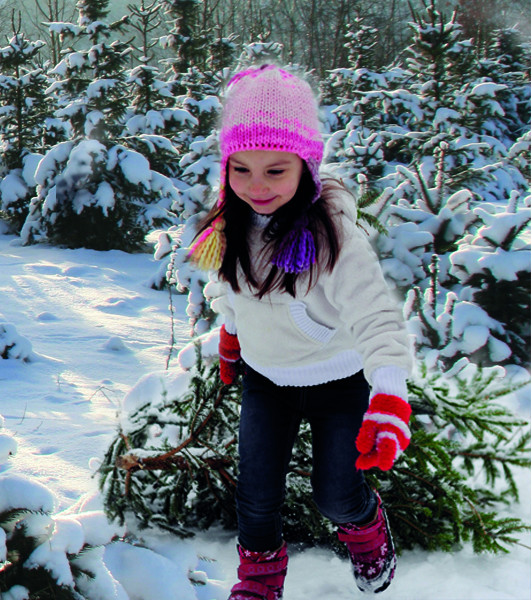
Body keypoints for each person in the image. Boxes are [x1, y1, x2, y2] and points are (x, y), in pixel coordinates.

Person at [186, 64, 414, 599]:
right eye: (240, 170)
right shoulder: (229, 226)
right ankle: (260, 580)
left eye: (275, 170)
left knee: (336, 494)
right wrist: (233, 336)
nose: (255, 186)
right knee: (256, 494)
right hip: (266, 380)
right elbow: (233, 290)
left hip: (339, 381)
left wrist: (390, 397)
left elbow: (377, 317)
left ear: (306, 167)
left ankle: (366, 527)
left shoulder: (335, 238)